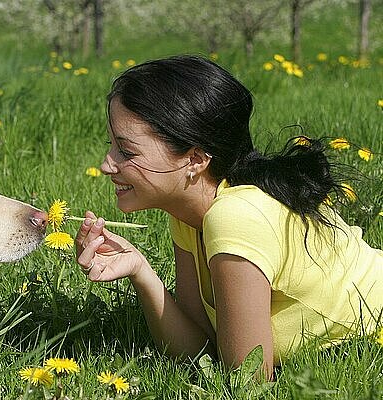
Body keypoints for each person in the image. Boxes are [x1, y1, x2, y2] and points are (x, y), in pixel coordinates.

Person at [74, 55, 382, 380]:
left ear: (194, 159)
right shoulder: (188, 213)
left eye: (127, 151)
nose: (107, 164)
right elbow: (202, 349)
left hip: (368, 349)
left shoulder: (235, 217)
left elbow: (247, 379)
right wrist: (141, 272)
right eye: (112, 146)